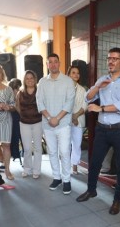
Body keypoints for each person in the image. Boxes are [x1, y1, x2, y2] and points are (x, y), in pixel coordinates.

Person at [76, 47, 120, 215]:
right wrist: (97, 87)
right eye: (109, 58)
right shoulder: (103, 79)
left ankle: (117, 200)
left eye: (115, 59)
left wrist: (100, 108)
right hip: (102, 129)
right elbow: (88, 97)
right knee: (94, 162)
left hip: (119, 130)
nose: (110, 61)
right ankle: (91, 190)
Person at [36, 53, 75, 194]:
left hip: (63, 123)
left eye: (55, 62)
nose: (53, 64)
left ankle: (66, 180)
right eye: (50, 62)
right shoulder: (42, 82)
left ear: (59, 63)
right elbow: (39, 101)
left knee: (64, 152)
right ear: (47, 65)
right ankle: (57, 177)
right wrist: (49, 118)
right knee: (52, 152)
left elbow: (70, 102)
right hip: (47, 124)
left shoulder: (68, 81)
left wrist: (57, 118)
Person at [16, 70, 42, 179]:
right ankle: (27, 168)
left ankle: (36, 170)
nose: (30, 80)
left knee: (37, 147)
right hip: (24, 123)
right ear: (24, 80)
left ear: (35, 79)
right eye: (27, 78)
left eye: (32, 78)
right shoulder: (20, 92)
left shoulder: (40, 91)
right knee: (26, 148)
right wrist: (23, 115)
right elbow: (17, 106)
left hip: (38, 123)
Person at [67, 66, 87, 175]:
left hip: (79, 119)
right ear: (68, 75)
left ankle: (74, 166)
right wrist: (71, 117)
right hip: (65, 119)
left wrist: (76, 116)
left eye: (77, 73)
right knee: (65, 144)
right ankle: (66, 165)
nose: (76, 75)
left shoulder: (83, 89)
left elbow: (85, 105)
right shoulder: (64, 88)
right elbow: (62, 104)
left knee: (77, 144)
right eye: (73, 73)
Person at [8, 78, 22, 163]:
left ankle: (16, 152)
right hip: (14, 118)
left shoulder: (21, 94)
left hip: (19, 118)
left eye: (17, 88)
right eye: (14, 89)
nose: (16, 91)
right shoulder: (10, 95)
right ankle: (15, 152)